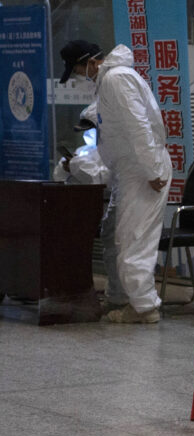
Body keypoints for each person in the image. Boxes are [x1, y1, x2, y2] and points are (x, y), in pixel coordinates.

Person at [59, 40, 172, 324]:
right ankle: (136, 302)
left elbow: (138, 126)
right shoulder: (110, 81)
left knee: (134, 239)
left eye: (78, 70)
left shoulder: (116, 79)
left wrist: (152, 170)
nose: (80, 76)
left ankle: (144, 307)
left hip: (142, 169)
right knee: (125, 237)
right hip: (132, 168)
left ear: (91, 62)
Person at [52, 104, 125, 309]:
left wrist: (76, 166)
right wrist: (67, 166)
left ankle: (118, 296)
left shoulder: (115, 154)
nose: (87, 135)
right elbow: (58, 177)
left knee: (115, 251)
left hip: (106, 209)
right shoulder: (82, 151)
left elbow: (102, 180)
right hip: (78, 209)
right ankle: (70, 288)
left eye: (91, 130)